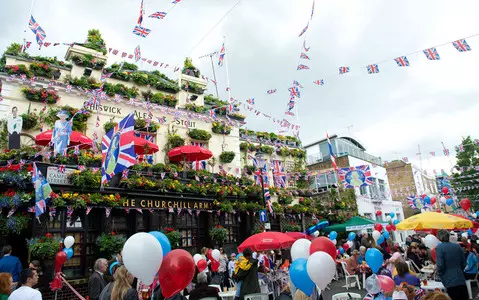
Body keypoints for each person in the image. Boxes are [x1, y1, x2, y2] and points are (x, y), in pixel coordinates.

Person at [436, 229, 468, 300]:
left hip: (449, 279)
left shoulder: (439, 247)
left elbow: (440, 265)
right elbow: (464, 263)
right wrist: (459, 269)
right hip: (460, 277)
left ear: (439, 238)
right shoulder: (457, 246)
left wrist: (439, 273)